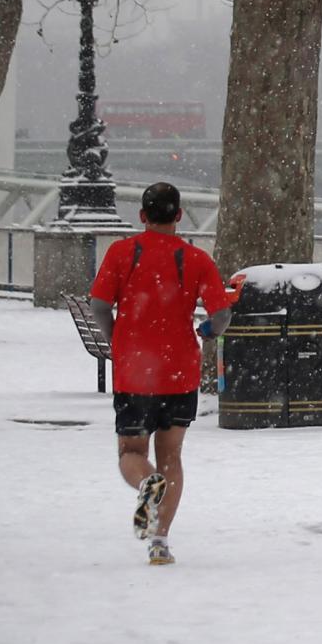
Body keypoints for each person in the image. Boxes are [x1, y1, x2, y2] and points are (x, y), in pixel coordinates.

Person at [88, 182, 242, 565]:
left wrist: (118, 339)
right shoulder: (196, 259)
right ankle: (160, 542)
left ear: (142, 215)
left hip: (135, 372)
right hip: (179, 372)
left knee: (132, 451)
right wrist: (206, 331)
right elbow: (221, 316)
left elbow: (99, 305)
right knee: (171, 454)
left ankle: (146, 482)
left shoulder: (121, 253)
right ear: (178, 216)